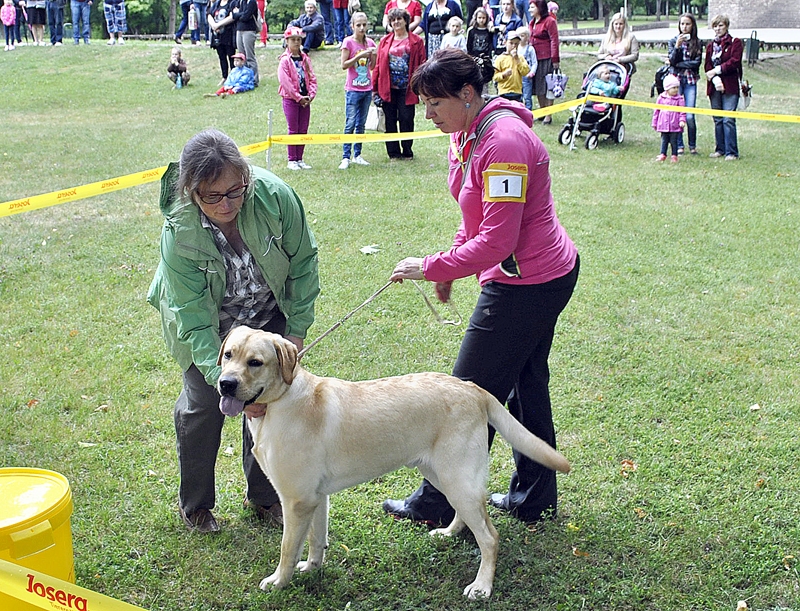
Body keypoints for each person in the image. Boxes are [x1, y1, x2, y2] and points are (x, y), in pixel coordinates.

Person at [386, 48, 579, 526]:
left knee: (463, 395)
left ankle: (435, 503)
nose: (427, 114)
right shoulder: (466, 132)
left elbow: (497, 240)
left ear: (468, 94)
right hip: (527, 276)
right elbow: (473, 215)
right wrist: (450, 268)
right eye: (424, 104)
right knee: (524, 385)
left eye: (435, 103)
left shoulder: (504, 142)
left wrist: (432, 266)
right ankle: (533, 499)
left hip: (531, 283)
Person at [147, 128, 320, 533]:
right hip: (207, 322)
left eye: (235, 191)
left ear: (245, 177)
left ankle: (264, 497)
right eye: (212, 196)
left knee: (270, 403)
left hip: (267, 312)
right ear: (191, 190)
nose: (226, 204)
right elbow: (192, 316)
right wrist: (219, 374)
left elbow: (303, 262)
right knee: (205, 404)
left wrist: (294, 333)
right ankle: (196, 505)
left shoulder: (275, 196)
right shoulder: (179, 231)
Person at [373, 8, 425, 160]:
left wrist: (422, 88)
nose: (396, 22)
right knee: (389, 121)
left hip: (408, 88)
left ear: (406, 21)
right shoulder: (384, 41)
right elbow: (378, 66)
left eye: (399, 19)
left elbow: (422, 64)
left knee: (406, 118)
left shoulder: (417, 41)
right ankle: (393, 153)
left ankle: (407, 151)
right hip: (388, 87)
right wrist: (374, 89)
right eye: (393, 20)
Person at [339, 11, 376, 169]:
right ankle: (345, 156)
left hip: (366, 88)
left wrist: (373, 55)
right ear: (352, 26)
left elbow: (372, 67)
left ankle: (358, 154)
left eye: (364, 25)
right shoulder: (348, 42)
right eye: (358, 25)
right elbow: (344, 65)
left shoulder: (370, 43)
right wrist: (359, 56)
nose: (361, 28)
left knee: (361, 123)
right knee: (350, 123)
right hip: (353, 89)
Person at [278, 26, 317, 170]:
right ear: (287, 41)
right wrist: (297, 97)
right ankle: (292, 159)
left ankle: (300, 158)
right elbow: (285, 82)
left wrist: (310, 95)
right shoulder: (284, 61)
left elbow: (312, 77)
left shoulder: (305, 59)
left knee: (303, 129)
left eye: (298, 40)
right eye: (293, 40)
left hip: (305, 100)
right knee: (293, 129)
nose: (296, 42)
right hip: (290, 99)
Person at [705, 13, 742, 161]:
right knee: (718, 119)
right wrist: (715, 80)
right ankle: (720, 149)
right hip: (714, 86)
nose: (718, 29)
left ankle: (731, 152)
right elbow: (707, 66)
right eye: (715, 26)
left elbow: (734, 62)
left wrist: (717, 70)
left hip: (730, 86)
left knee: (728, 119)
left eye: (720, 25)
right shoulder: (710, 46)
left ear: (726, 26)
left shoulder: (735, 42)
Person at [667, 12, 702, 155]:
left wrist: (679, 64)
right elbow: (672, 61)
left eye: (688, 24)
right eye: (682, 24)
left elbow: (696, 63)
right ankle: (679, 145)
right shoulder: (673, 41)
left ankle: (692, 145)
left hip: (690, 81)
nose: (685, 27)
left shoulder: (697, 42)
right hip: (676, 81)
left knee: (689, 115)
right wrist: (677, 47)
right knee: (677, 113)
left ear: (692, 25)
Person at [528, 0, 559, 123]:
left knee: (548, 86)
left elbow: (554, 40)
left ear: (539, 8)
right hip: (534, 59)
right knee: (539, 86)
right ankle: (542, 110)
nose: (529, 10)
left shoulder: (550, 21)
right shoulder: (532, 22)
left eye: (532, 7)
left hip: (546, 58)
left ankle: (548, 114)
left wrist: (555, 58)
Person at [652, 73, 686, 163]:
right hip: (663, 123)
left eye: (677, 87)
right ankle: (663, 154)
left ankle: (674, 155)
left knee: (674, 141)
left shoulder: (680, 99)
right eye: (673, 87)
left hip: (675, 125)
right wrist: (654, 122)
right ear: (667, 88)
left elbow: (682, 111)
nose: (676, 90)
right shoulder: (661, 98)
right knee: (664, 140)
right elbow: (656, 111)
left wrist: (682, 120)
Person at [597, 11, 639, 75]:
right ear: (612, 25)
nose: (618, 26)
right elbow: (599, 55)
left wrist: (620, 59)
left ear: (624, 25)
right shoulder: (606, 38)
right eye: (616, 24)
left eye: (621, 24)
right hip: (608, 67)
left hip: (623, 67)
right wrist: (606, 56)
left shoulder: (631, 37)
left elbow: (635, 56)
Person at [493, 29, 528, 103]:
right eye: (511, 43)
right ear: (505, 42)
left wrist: (517, 59)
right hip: (504, 92)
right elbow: (494, 77)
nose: (513, 46)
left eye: (516, 44)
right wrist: (503, 74)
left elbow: (525, 72)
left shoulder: (520, 58)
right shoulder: (500, 58)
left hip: (517, 92)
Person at [466, 6, 494, 92]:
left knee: (485, 79)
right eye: (479, 18)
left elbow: (490, 44)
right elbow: (469, 45)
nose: (481, 20)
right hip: (474, 58)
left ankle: (484, 94)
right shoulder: (471, 30)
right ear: (476, 18)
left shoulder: (488, 31)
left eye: (483, 18)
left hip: (485, 59)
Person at [208, 0, 236, 84]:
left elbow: (232, 16)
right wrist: (213, 25)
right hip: (217, 35)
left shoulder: (232, 3)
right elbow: (209, 15)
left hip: (228, 34)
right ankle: (224, 77)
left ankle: (233, 77)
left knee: (231, 56)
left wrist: (219, 24)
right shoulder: (217, 3)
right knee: (221, 56)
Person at [232, 0, 259, 86]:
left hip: (249, 30)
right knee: (241, 56)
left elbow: (246, 16)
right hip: (239, 30)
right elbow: (233, 15)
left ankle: (254, 80)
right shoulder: (239, 2)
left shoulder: (252, 2)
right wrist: (240, 14)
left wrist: (238, 14)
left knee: (249, 56)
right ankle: (244, 77)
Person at [517, 26, 537, 110]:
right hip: (518, 76)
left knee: (527, 96)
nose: (520, 38)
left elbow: (534, 62)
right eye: (519, 36)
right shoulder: (516, 49)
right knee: (518, 96)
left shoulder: (530, 49)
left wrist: (532, 72)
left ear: (527, 37)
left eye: (522, 35)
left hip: (527, 76)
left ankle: (528, 111)